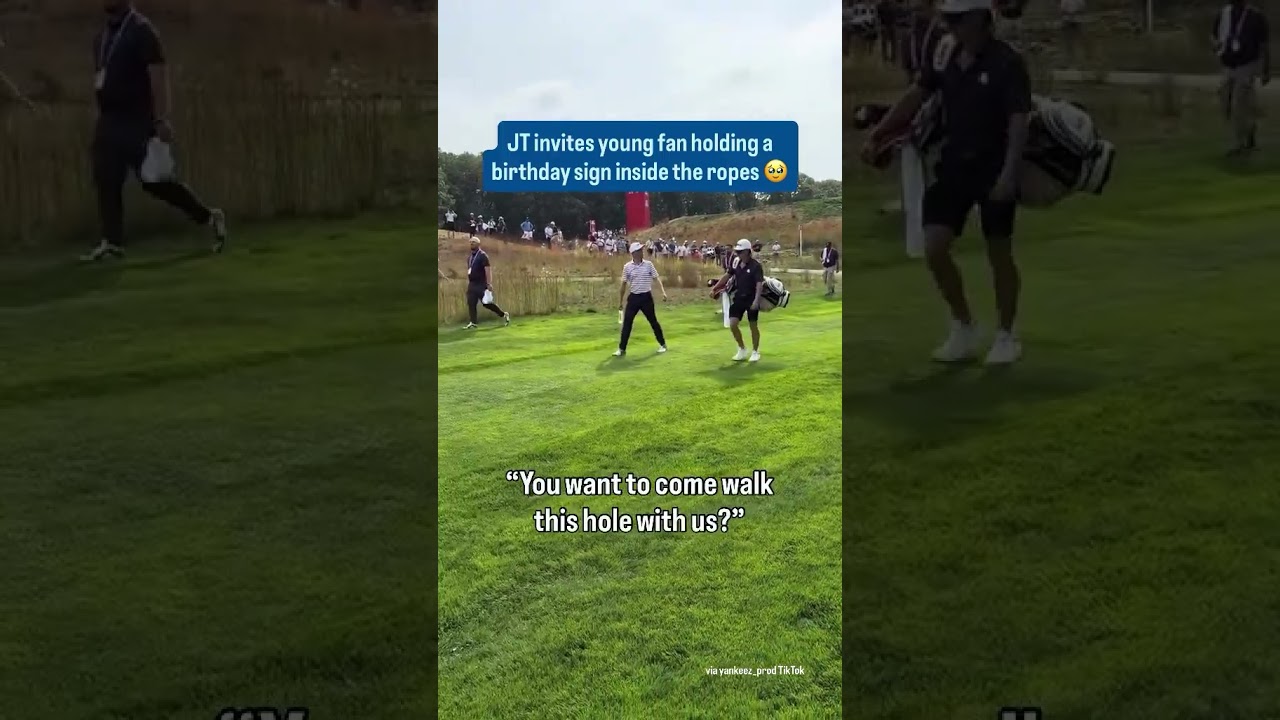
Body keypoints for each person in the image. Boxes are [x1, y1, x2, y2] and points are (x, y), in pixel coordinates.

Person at [862, 0, 1031, 365]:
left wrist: (1009, 174)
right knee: (935, 246)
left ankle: (1006, 334)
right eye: (949, 20)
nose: (952, 27)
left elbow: (1019, 122)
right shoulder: (945, 54)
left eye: (959, 20)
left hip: (995, 165)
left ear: (983, 20)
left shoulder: (1007, 62)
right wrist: (880, 132)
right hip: (955, 164)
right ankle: (964, 326)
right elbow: (916, 95)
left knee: (998, 251)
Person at [83, 0, 226, 261]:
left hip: (138, 120)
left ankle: (208, 216)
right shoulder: (101, 37)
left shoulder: (142, 31)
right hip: (109, 120)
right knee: (106, 178)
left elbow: (158, 76)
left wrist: (161, 119)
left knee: (155, 182)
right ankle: (112, 242)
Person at [1213, 0, 1271, 155]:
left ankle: (1238, 144)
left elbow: (1264, 45)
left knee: (1239, 101)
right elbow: (1215, 36)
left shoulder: (1256, 17)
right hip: (1228, 64)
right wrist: (1217, 45)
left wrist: (1266, 69)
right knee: (1225, 99)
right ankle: (1250, 130)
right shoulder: (1223, 14)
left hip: (1247, 64)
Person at [712, 239, 765, 362]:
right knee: (733, 324)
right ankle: (742, 348)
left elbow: (759, 284)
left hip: (751, 298)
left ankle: (755, 351)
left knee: (753, 325)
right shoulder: (736, 263)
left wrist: (756, 301)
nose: (738, 254)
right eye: (737, 251)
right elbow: (727, 275)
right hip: (739, 297)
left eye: (740, 252)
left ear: (747, 251)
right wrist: (715, 288)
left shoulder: (756, 266)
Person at [613, 242, 668, 357]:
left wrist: (663, 292)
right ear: (634, 253)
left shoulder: (648, 265)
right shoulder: (627, 267)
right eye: (639, 250)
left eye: (641, 250)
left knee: (653, 321)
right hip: (633, 298)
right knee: (627, 323)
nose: (642, 252)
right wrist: (620, 302)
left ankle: (662, 345)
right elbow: (623, 285)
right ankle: (621, 349)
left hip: (646, 298)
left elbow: (656, 279)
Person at [463, 236, 510, 329]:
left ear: (478, 244)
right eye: (470, 242)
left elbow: (487, 270)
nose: (471, 243)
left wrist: (489, 283)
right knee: (471, 302)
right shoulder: (469, 258)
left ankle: (503, 314)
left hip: (481, 283)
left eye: (474, 242)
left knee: (486, 303)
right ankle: (473, 322)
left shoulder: (482, 256)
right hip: (472, 283)